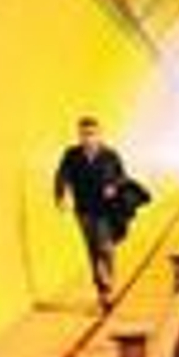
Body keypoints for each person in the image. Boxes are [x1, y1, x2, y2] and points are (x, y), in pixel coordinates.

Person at [54, 116, 128, 313]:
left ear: (99, 135)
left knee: (105, 246)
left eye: (91, 134)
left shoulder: (110, 155)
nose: (87, 138)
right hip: (84, 210)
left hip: (105, 210)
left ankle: (109, 281)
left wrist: (113, 186)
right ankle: (103, 292)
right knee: (93, 249)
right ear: (79, 135)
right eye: (84, 134)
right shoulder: (72, 154)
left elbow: (123, 177)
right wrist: (61, 196)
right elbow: (62, 175)